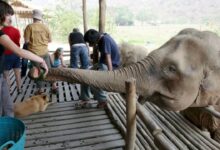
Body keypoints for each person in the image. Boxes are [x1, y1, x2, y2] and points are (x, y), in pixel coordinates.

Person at [0, 0, 48, 117]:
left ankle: (9, 130)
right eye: (8, 14)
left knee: (8, 106)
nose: (10, 17)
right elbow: (20, 51)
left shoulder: (3, 33)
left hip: (1, 74)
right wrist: (41, 60)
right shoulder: (1, 36)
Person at [83, 29, 120, 108]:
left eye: (89, 42)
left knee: (94, 80)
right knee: (83, 75)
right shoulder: (102, 37)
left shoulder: (105, 40)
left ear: (94, 40)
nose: (89, 44)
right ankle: (85, 98)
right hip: (102, 64)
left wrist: (110, 74)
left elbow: (108, 58)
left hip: (110, 65)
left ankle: (103, 100)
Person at [24, 9, 52, 94]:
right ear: (40, 17)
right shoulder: (46, 27)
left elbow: (26, 41)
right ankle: (54, 86)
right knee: (49, 69)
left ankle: (40, 90)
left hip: (34, 54)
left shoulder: (29, 27)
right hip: (45, 52)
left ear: (33, 17)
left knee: (38, 71)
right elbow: (50, 40)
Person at [68, 28, 91, 101]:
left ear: (73, 31)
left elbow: (70, 43)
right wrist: (88, 52)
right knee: (85, 65)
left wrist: (71, 50)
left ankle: (74, 80)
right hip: (83, 47)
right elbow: (86, 43)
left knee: (74, 64)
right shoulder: (81, 34)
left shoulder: (71, 34)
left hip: (75, 46)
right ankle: (85, 78)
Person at [2, 19, 22, 93]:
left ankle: (9, 90)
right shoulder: (16, 30)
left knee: (6, 75)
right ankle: (19, 89)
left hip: (5, 55)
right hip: (16, 53)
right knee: (17, 73)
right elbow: (18, 41)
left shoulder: (2, 31)